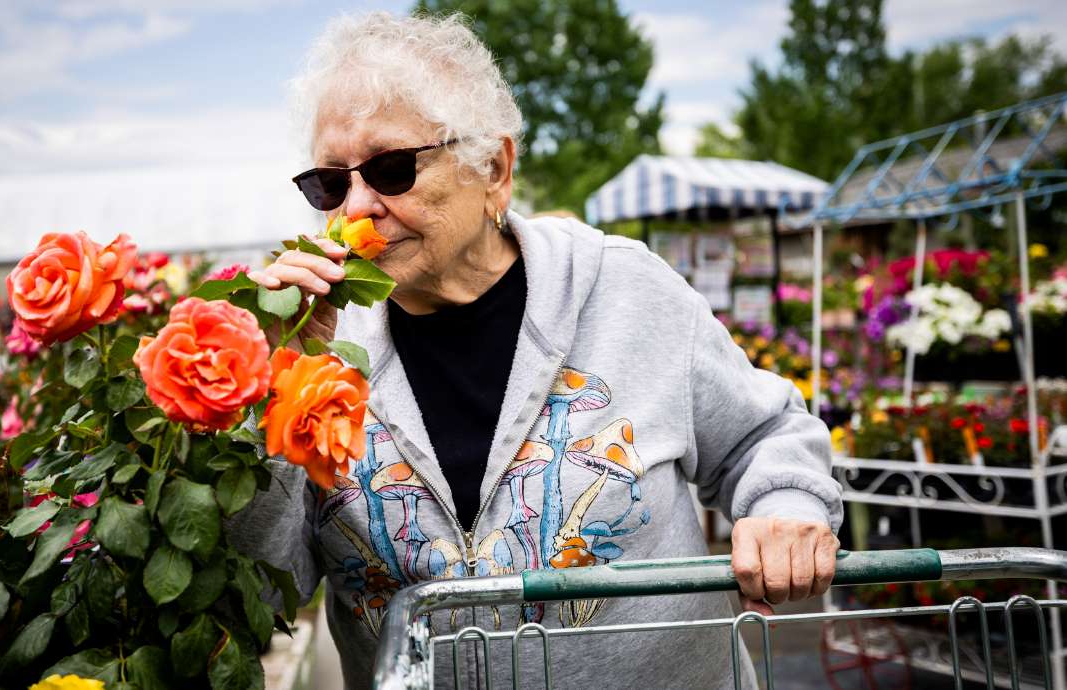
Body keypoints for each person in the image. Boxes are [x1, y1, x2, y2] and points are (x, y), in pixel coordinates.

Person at [230, 11, 842, 689]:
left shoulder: (626, 289)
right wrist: (265, 396)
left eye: (390, 168)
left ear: (493, 168)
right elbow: (261, 591)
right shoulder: (316, 346)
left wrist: (787, 508)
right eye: (330, 182)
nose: (356, 207)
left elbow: (765, 433)